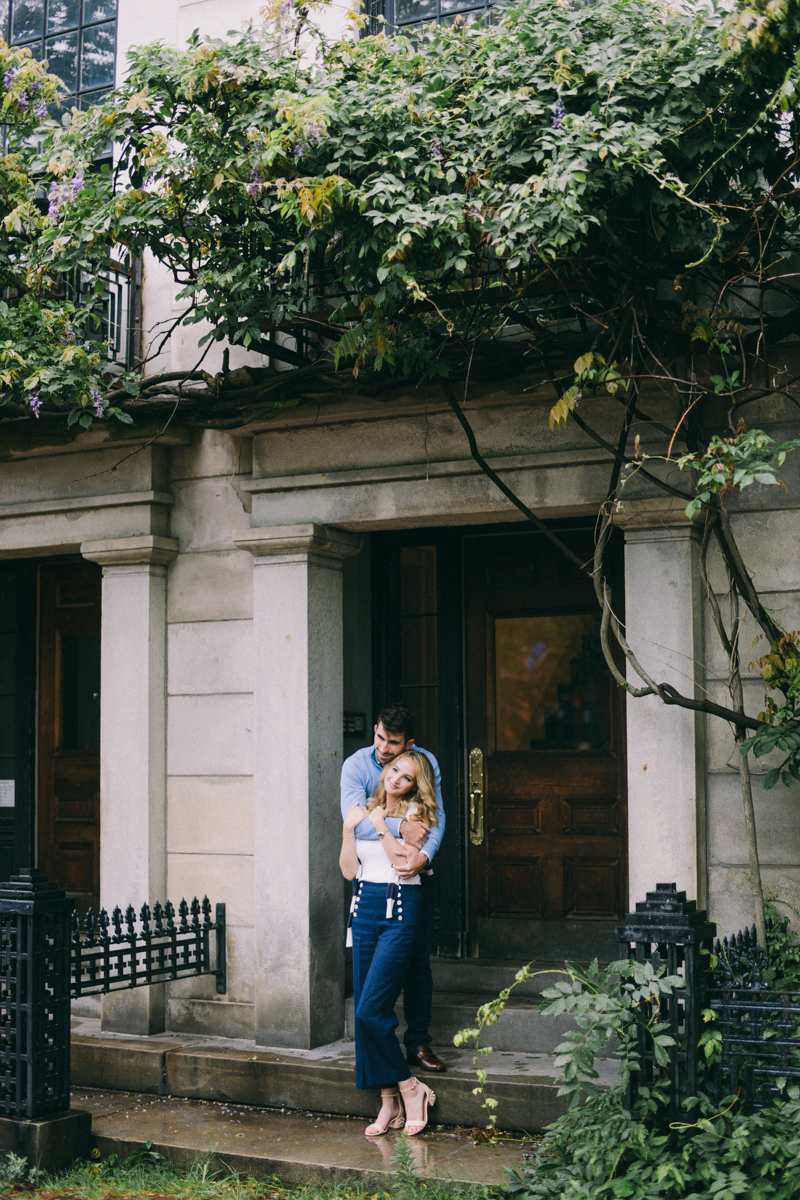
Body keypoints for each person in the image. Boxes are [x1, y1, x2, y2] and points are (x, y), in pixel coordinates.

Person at [340, 703, 446, 1072]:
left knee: (417, 965)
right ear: (375, 730)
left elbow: (437, 817)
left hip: (409, 880)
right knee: (367, 980)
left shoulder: (422, 763)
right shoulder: (355, 766)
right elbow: (352, 821)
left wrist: (426, 855)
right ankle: (378, 1055)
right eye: (380, 738)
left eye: (394, 743)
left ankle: (418, 1042)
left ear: (408, 743)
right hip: (370, 887)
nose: (384, 749)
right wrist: (397, 826)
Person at [340, 749, 438, 1136]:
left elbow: (403, 861)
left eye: (407, 776)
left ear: (417, 785)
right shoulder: (365, 810)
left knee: (369, 1010)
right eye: (394, 770)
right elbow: (350, 870)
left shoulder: (417, 817)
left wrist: (382, 825)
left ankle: (411, 1089)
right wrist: (350, 831)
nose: (396, 778)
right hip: (363, 908)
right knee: (365, 1012)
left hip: (399, 907)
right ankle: (388, 1105)